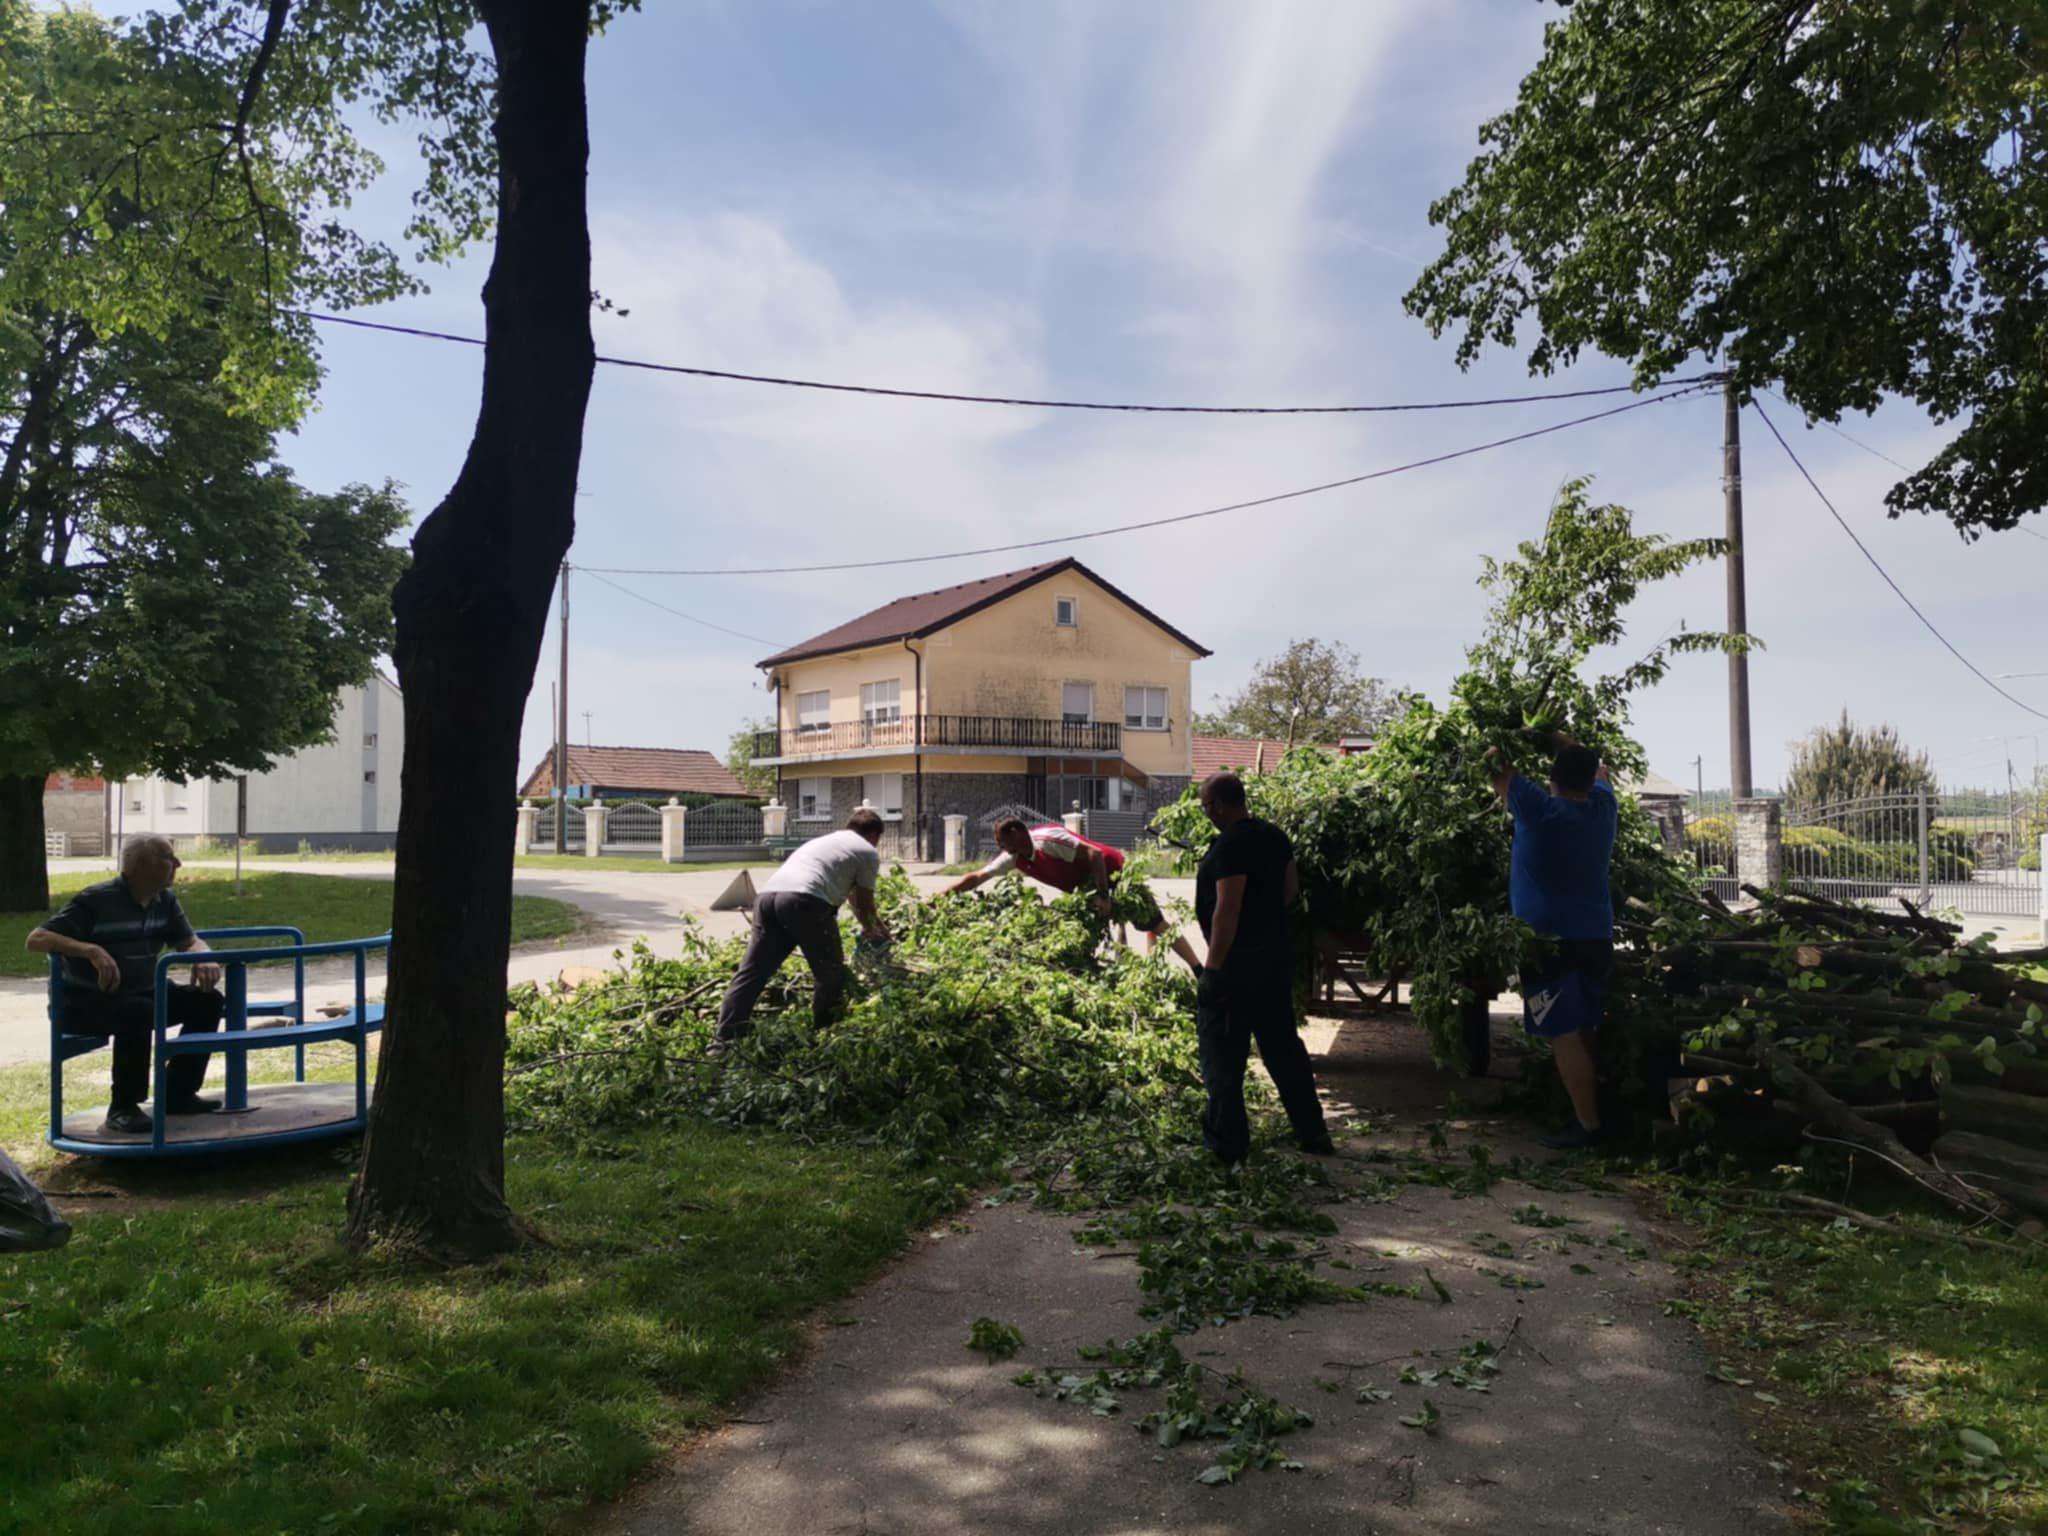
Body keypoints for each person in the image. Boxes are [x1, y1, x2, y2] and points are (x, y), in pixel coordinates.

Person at [28, 836, 224, 1134]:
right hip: (82, 1001)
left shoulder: (165, 901)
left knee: (208, 1001)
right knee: (138, 1011)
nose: (178, 864)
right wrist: (90, 950)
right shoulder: (97, 899)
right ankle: (123, 1108)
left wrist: (203, 955)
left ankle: (178, 1093)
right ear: (139, 866)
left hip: (142, 993)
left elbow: (190, 940)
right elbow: (36, 939)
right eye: (168, 857)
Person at [1192, 771, 1334, 1164]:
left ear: (1220, 804)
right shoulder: (1274, 836)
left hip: (1237, 968)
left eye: (1207, 807)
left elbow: (1228, 909)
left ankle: (1228, 1147)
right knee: (1283, 1049)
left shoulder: (1231, 845)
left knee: (1222, 1055)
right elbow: (1290, 890)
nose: (1207, 814)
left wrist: (1214, 968)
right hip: (1274, 961)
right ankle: (1313, 1132)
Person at [1491, 730, 1618, 1150]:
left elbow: (1495, 764)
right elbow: (1597, 770)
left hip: (1548, 942)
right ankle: (1597, 1113)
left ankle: (1590, 1128)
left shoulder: (1540, 811)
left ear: (1553, 779)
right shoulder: (1604, 809)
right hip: (1596, 935)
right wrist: (1564, 743)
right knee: (1586, 1026)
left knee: (1563, 1032)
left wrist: (1518, 731)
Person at [711, 808, 890, 1053]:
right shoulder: (866, 851)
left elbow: (851, 898)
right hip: (805, 902)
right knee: (830, 974)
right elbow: (863, 902)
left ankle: (724, 1042)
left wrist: (872, 924)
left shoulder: (823, 842)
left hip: (766, 899)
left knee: (752, 972)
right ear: (873, 834)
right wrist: (877, 930)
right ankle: (827, 1039)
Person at [942, 816, 1201, 970]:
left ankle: (1199, 969)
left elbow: (1095, 855)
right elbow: (977, 876)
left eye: (1002, 841)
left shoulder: (1047, 841)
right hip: (1086, 889)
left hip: (1114, 874)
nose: (1000, 847)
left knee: (1154, 922)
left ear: (1017, 833)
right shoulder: (1014, 857)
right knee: (1080, 936)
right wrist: (941, 897)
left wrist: (1103, 895)